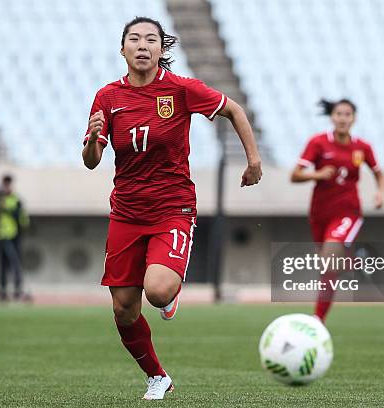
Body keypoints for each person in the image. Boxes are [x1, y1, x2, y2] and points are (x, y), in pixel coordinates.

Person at [81, 16, 262, 400]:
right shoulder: (107, 97)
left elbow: (234, 110)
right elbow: (92, 160)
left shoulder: (180, 90)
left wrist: (253, 160)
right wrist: (93, 140)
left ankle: (171, 285)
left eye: (151, 39)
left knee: (158, 293)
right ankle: (157, 377)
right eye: (134, 38)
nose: (142, 45)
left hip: (172, 208)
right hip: (126, 212)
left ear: (162, 50)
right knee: (124, 310)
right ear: (123, 48)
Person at [290, 99, 384, 322]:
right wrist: (317, 174)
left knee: (328, 260)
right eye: (339, 114)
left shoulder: (363, 147)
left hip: (347, 212)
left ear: (354, 118)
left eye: (348, 114)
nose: (343, 118)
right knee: (329, 268)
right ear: (332, 117)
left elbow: (379, 173)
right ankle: (357, 259)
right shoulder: (318, 142)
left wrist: (380, 192)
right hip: (319, 213)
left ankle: (317, 319)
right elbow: (295, 175)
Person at [0, 174, 30, 301]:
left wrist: (6, 208)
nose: (6, 187)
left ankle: (17, 290)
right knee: (2, 265)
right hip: (1, 235)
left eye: (8, 184)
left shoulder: (16, 200)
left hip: (14, 236)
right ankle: (2, 291)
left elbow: (21, 218)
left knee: (15, 263)